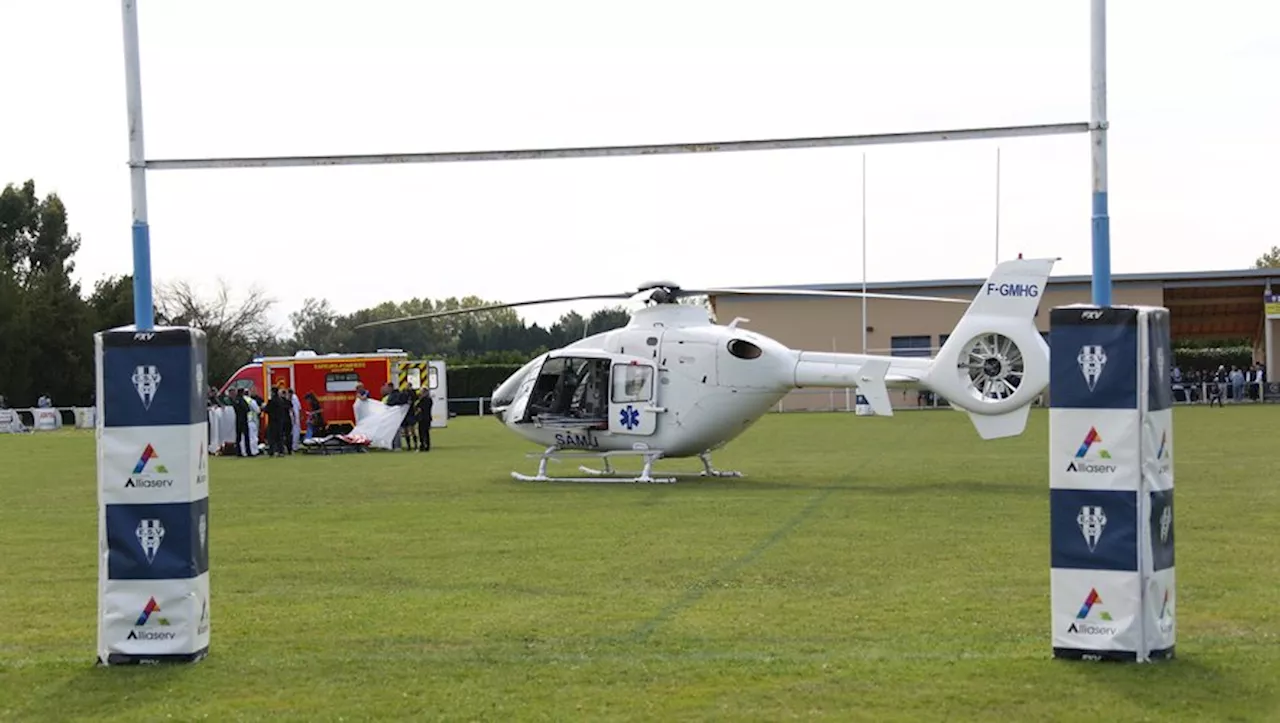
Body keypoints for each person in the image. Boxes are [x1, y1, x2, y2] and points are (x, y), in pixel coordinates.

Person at [232, 389, 252, 457]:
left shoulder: (236, 400)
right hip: (243, 420)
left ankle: (238, 452)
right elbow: (247, 408)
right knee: (246, 436)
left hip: (238, 420)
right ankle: (248, 452)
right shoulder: (242, 400)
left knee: (238, 437)